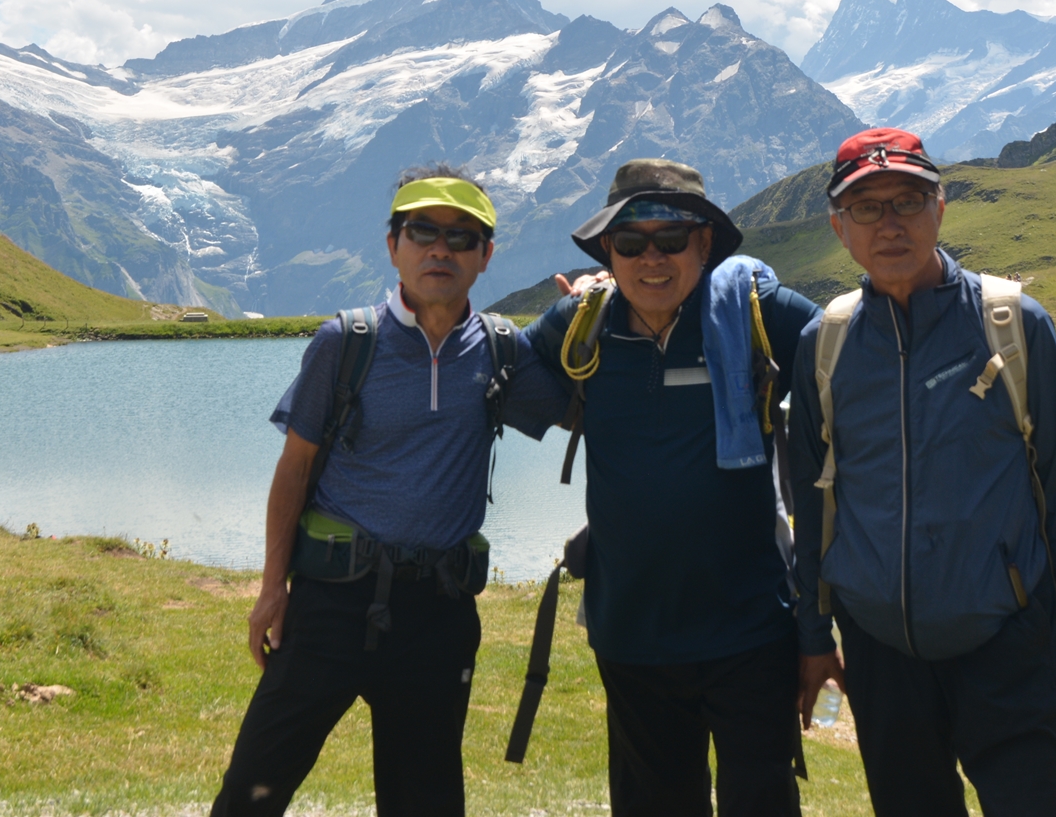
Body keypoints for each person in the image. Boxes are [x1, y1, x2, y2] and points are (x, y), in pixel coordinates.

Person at [210, 168, 553, 817]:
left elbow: (591, 402)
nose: (440, 249)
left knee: (426, 801)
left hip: (438, 612)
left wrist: (593, 305)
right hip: (331, 604)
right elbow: (294, 468)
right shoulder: (346, 342)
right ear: (393, 245)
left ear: (485, 254)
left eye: (461, 236)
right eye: (422, 232)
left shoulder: (502, 352)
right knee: (254, 787)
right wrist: (272, 587)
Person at [789, 128, 1056, 817]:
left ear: (940, 207)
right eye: (867, 207)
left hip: (1009, 642)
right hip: (881, 653)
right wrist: (815, 640)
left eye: (908, 200)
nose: (890, 223)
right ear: (839, 227)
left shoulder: (1013, 325)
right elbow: (812, 509)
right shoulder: (825, 344)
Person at [517, 158, 822, 817]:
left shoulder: (760, 311)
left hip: (753, 629)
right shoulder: (581, 325)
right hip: (631, 635)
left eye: (672, 238)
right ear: (608, 251)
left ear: (704, 243)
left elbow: (854, 363)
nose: (651, 258)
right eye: (631, 242)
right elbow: (500, 373)